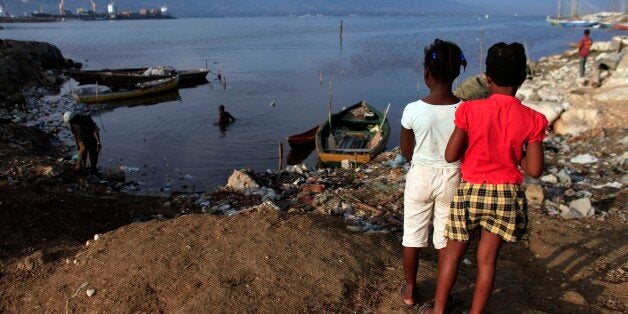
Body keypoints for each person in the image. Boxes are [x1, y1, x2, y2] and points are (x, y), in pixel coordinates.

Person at [423, 43, 547, 314]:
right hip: (505, 196)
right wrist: (516, 151)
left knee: (453, 255)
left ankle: (438, 310)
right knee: (487, 261)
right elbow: (534, 169)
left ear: (487, 79)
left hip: (471, 192)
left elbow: (451, 154)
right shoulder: (534, 119)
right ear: (523, 79)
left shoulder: (469, 111)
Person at [399, 39, 467, 307]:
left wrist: (420, 161)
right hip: (453, 176)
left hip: (420, 176)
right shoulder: (465, 109)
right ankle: (443, 293)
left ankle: (410, 291)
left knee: (412, 237)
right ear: (457, 73)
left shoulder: (412, 109)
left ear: (426, 73)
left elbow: (406, 150)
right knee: (443, 239)